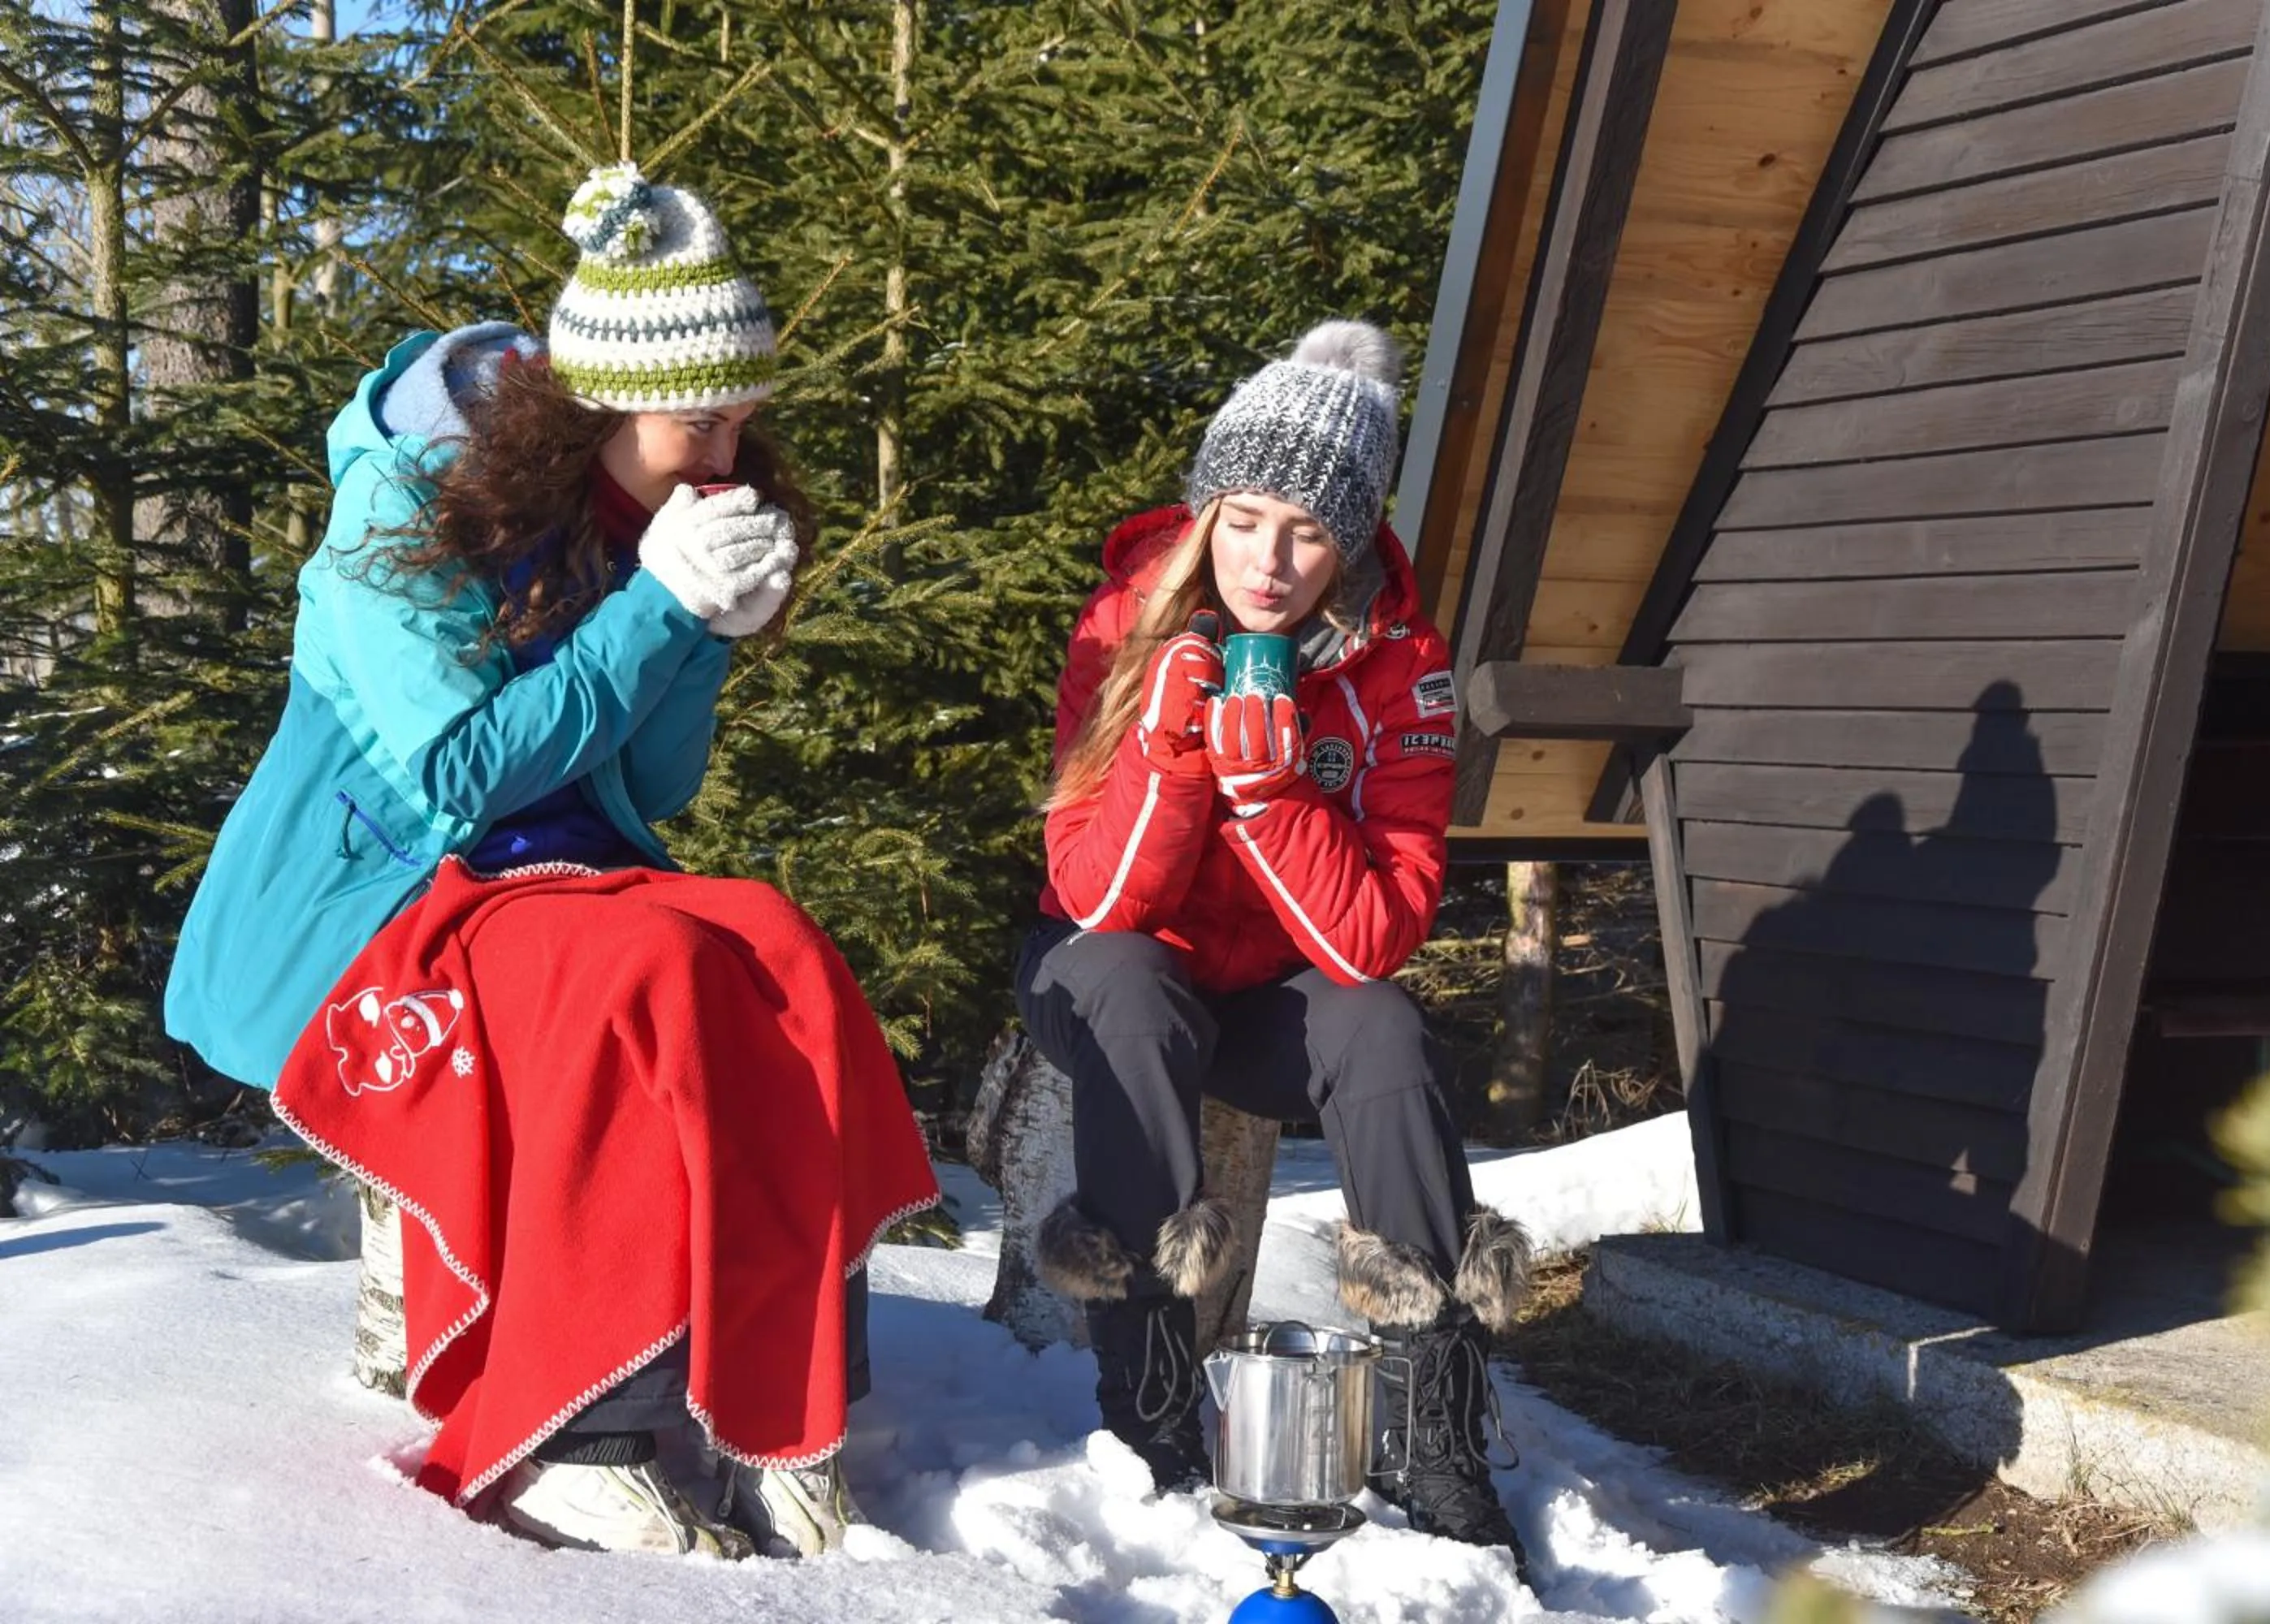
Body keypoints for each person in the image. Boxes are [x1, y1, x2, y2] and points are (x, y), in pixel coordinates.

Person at [163, 163, 937, 1560]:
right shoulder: (395, 528)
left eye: (746, 420)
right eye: (703, 422)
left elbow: (653, 786)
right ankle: (583, 1425)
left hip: (564, 873)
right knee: (631, 977)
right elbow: (460, 777)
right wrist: (657, 615)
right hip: (388, 894)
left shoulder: (632, 512)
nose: (730, 457)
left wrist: (703, 639)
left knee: (778, 950)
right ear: (596, 407)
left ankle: (791, 1402)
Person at [1015, 321, 1532, 1568]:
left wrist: (1275, 795)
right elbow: (1096, 897)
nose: (1270, 559)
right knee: (1133, 991)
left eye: (1308, 531)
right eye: (1245, 519)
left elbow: (1376, 938)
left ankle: (1432, 1428)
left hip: (1275, 997)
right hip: (1112, 968)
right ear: (1209, 512)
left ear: (1350, 539)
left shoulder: (1402, 671)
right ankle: (1148, 1407)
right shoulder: (1125, 624)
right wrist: (1173, 759)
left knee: (1385, 1029)